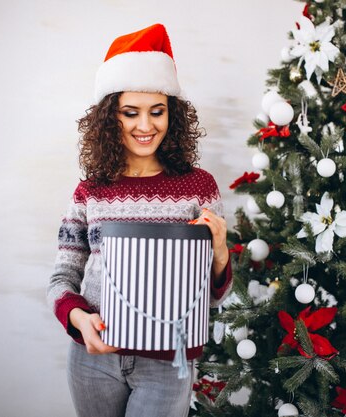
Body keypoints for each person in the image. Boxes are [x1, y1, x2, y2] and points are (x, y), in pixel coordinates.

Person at [47, 24, 232, 417]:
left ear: (173, 114)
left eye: (157, 112)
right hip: (92, 358)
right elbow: (62, 277)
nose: (145, 126)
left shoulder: (199, 187)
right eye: (130, 113)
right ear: (109, 118)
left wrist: (219, 250)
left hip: (168, 363)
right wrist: (79, 319)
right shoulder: (89, 191)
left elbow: (215, 295)